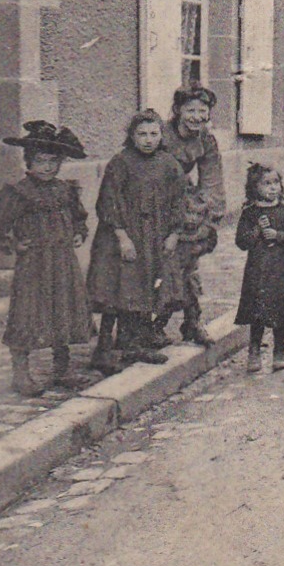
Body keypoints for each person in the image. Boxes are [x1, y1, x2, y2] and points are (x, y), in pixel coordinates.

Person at [0, 121, 93, 396]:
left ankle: (62, 368)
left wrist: (79, 232)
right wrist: (13, 244)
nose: (47, 167)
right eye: (40, 161)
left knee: (63, 309)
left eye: (53, 161)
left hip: (63, 261)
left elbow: (79, 217)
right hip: (34, 265)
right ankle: (21, 373)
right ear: (28, 162)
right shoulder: (19, 193)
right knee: (28, 314)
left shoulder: (65, 190)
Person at [87, 110, 185, 371]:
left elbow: (178, 202)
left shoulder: (169, 165)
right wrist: (122, 236)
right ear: (131, 136)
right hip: (121, 237)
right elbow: (108, 201)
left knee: (143, 288)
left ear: (162, 136)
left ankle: (134, 344)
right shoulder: (120, 163)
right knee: (116, 289)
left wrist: (174, 234)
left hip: (153, 237)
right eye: (141, 134)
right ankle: (104, 348)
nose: (148, 140)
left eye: (154, 134)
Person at [153, 85, 225, 346]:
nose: (197, 116)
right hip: (156, 203)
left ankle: (192, 322)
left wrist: (208, 213)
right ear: (177, 111)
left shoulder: (205, 140)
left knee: (189, 264)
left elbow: (212, 178)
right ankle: (154, 324)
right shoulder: (160, 135)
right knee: (165, 267)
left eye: (203, 111)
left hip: (184, 204)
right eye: (191, 110)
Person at [235, 163, 284, 374]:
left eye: (276, 183)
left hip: (282, 268)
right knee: (257, 312)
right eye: (266, 184)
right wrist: (257, 231)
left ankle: (279, 350)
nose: (272, 188)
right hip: (258, 269)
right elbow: (241, 242)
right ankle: (254, 350)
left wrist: (279, 236)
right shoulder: (250, 213)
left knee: (281, 311)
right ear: (254, 187)